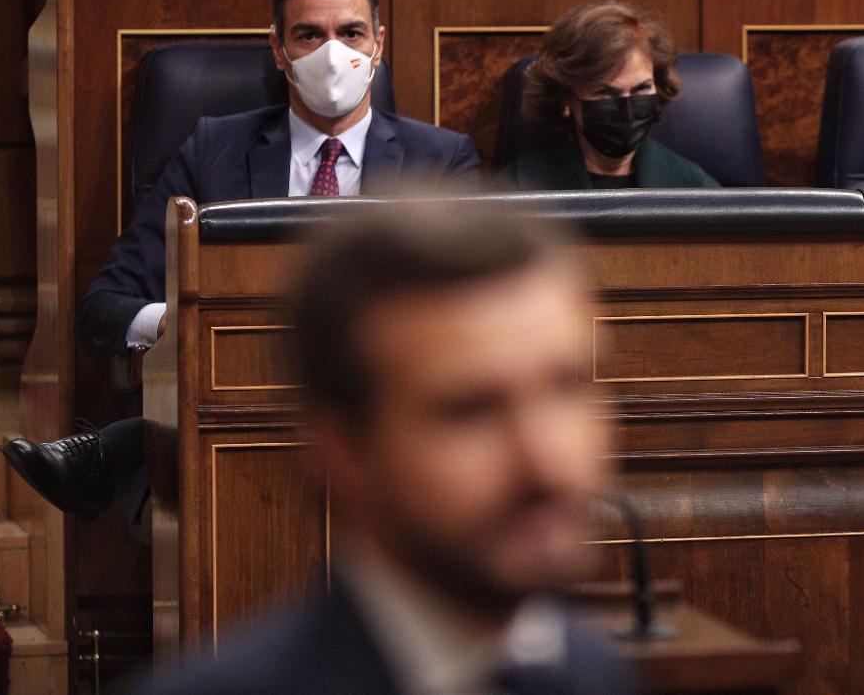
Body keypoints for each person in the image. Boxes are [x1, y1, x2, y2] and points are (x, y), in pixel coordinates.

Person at [3, 0, 481, 521]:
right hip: (231, 426)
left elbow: (469, 312)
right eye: (309, 34)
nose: (334, 53)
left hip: (389, 416)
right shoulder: (213, 150)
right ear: (279, 49)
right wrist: (184, 322)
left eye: (350, 33)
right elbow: (103, 310)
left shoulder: (442, 160)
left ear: (378, 44)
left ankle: (120, 447)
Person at [140, 201, 635, 695]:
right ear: (338, 448)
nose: (545, 460)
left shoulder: (600, 674)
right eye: (469, 412)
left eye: (567, 388)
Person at [499, 0, 719, 190]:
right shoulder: (518, 187)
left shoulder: (693, 187)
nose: (627, 107)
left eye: (642, 88)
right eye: (605, 92)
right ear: (566, 95)